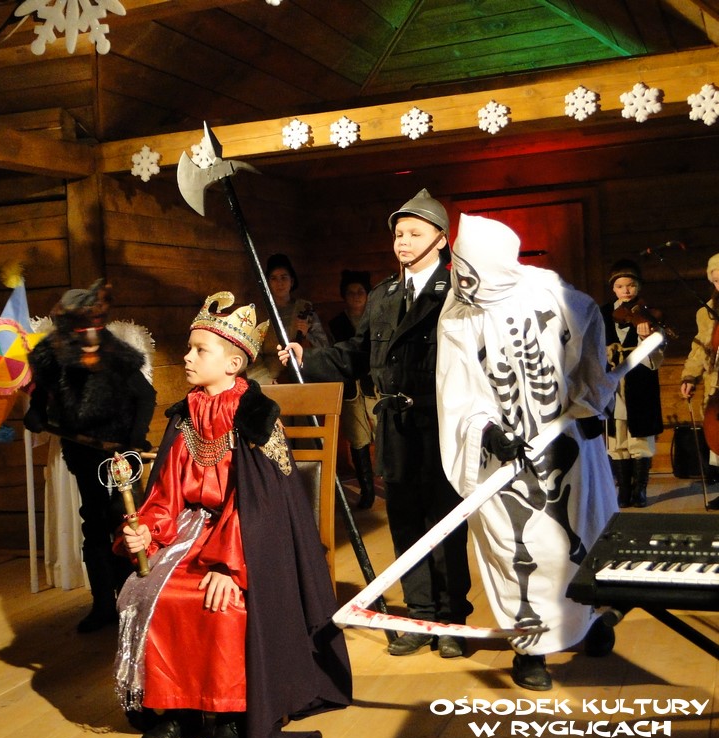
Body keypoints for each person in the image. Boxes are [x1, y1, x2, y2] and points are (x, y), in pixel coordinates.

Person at [114, 291, 351, 738]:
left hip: (248, 541)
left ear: (233, 364)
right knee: (153, 593)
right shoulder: (185, 416)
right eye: (190, 348)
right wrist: (147, 528)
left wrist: (229, 564)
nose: (187, 357)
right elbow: (165, 494)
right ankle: (178, 709)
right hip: (188, 534)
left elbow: (265, 505)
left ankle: (231, 713)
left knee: (222, 603)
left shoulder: (256, 418)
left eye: (199, 350)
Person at [279, 189, 473, 659]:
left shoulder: (459, 291)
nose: (403, 242)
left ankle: (452, 620)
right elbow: (357, 353)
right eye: (399, 234)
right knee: (404, 523)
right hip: (395, 426)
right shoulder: (385, 295)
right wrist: (309, 357)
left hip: (441, 425)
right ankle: (420, 615)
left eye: (414, 234)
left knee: (445, 522)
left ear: (441, 239)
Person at [436, 214, 620, 691]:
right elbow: (455, 386)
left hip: (567, 439)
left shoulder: (552, 292)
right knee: (520, 547)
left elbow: (592, 331)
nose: (464, 281)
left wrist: (593, 397)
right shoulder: (458, 313)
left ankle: (593, 618)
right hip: (504, 455)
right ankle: (530, 647)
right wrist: (485, 429)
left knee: (580, 534)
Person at [24, 279, 157, 633]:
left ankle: (132, 602)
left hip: (121, 452)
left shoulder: (114, 353)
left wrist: (133, 441)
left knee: (125, 522)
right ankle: (103, 605)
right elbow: (43, 391)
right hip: (83, 452)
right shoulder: (54, 354)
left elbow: (145, 396)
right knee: (94, 523)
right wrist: (36, 411)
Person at [601, 260, 664, 508]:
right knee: (617, 437)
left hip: (640, 381)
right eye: (620, 286)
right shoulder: (603, 313)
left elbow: (656, 357)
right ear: (613, 288)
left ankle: (640, 489)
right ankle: (623, 490)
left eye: (631, 285)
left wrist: (647, 339)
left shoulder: (647, 313)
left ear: (638, 287)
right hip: (614, 382)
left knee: (640, 439)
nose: (626, 290)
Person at [327, 269, 378, 509]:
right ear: (344, 296)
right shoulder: (336, 324)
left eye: (360, 291)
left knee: (383, 433)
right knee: (358, 438)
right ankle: (367, 490)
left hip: (374, 385)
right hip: (350, 387)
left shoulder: (376, 319)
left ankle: (391, 485)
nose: (356, 296)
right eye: (351, 292)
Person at [248, 253, 328, 384]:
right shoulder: (259, 313)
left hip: (304, 374)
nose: (279, 283)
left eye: (284, 278)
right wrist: (266, 381)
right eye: (274, 278)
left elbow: (324, 347)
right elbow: (252, 354)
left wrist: (307, 335)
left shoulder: (305, 308)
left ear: (292, 281)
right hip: (270, 377)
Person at [679, 253, 719, 509]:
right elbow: (699, 350)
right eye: (716, 281)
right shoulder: (706, 312)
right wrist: (690, 376)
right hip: (716, 385)